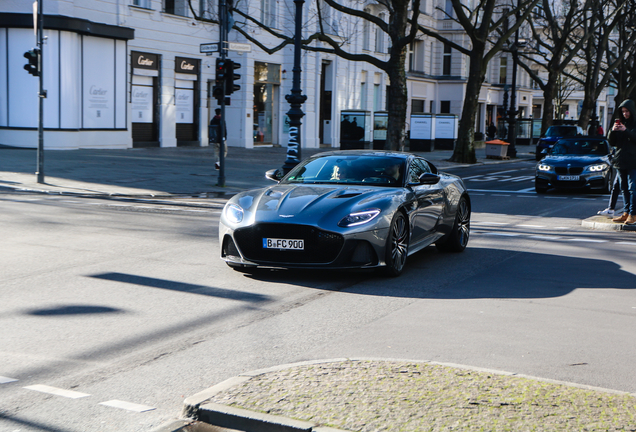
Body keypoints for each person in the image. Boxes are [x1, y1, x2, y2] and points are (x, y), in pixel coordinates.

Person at [607, 100, 636, 225]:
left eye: (627, 111)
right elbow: (612, 142)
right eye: (623, 111)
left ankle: (633, 214)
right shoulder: (620, 123)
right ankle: (626, 212)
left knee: (632, 188)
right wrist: (612, 131)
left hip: (633, 161)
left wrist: (626, 130)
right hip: (620, 161)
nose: (625, 114)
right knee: (624, 188)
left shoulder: (634, 124)